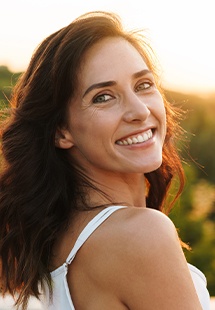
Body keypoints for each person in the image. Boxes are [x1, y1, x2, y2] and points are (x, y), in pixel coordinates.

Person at [0, 11, 210, 310]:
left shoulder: (60, 239)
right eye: (103, 97)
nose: (138, 111)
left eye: (143, 85)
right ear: (61, 131)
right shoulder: (140, 234)